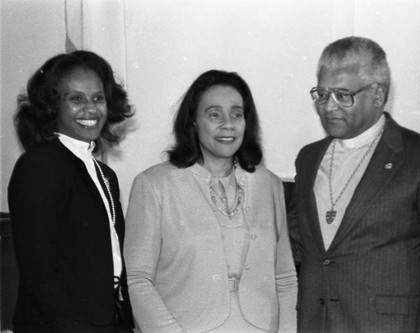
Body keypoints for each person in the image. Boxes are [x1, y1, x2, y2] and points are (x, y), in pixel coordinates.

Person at [288, 36, 420, 332]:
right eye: (321, 93)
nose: (328, 106)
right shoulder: (308, 159)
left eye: (342, 94)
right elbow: (300, 247)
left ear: (377, 94)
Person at [124, 69, 297, 333]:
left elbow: (284, 277)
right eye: (214, 114)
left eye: (237, 114)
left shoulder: (269, 184)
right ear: (193, 121)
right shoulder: (154, 185)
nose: (228, 124)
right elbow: (138, 279)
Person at [8, 50, 135, 333]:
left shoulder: (105, 175)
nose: (90, 109)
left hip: (106, 321)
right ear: (52, 106)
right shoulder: (39, 165)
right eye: (76, 99)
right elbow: (39, 274)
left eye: (98, 98)